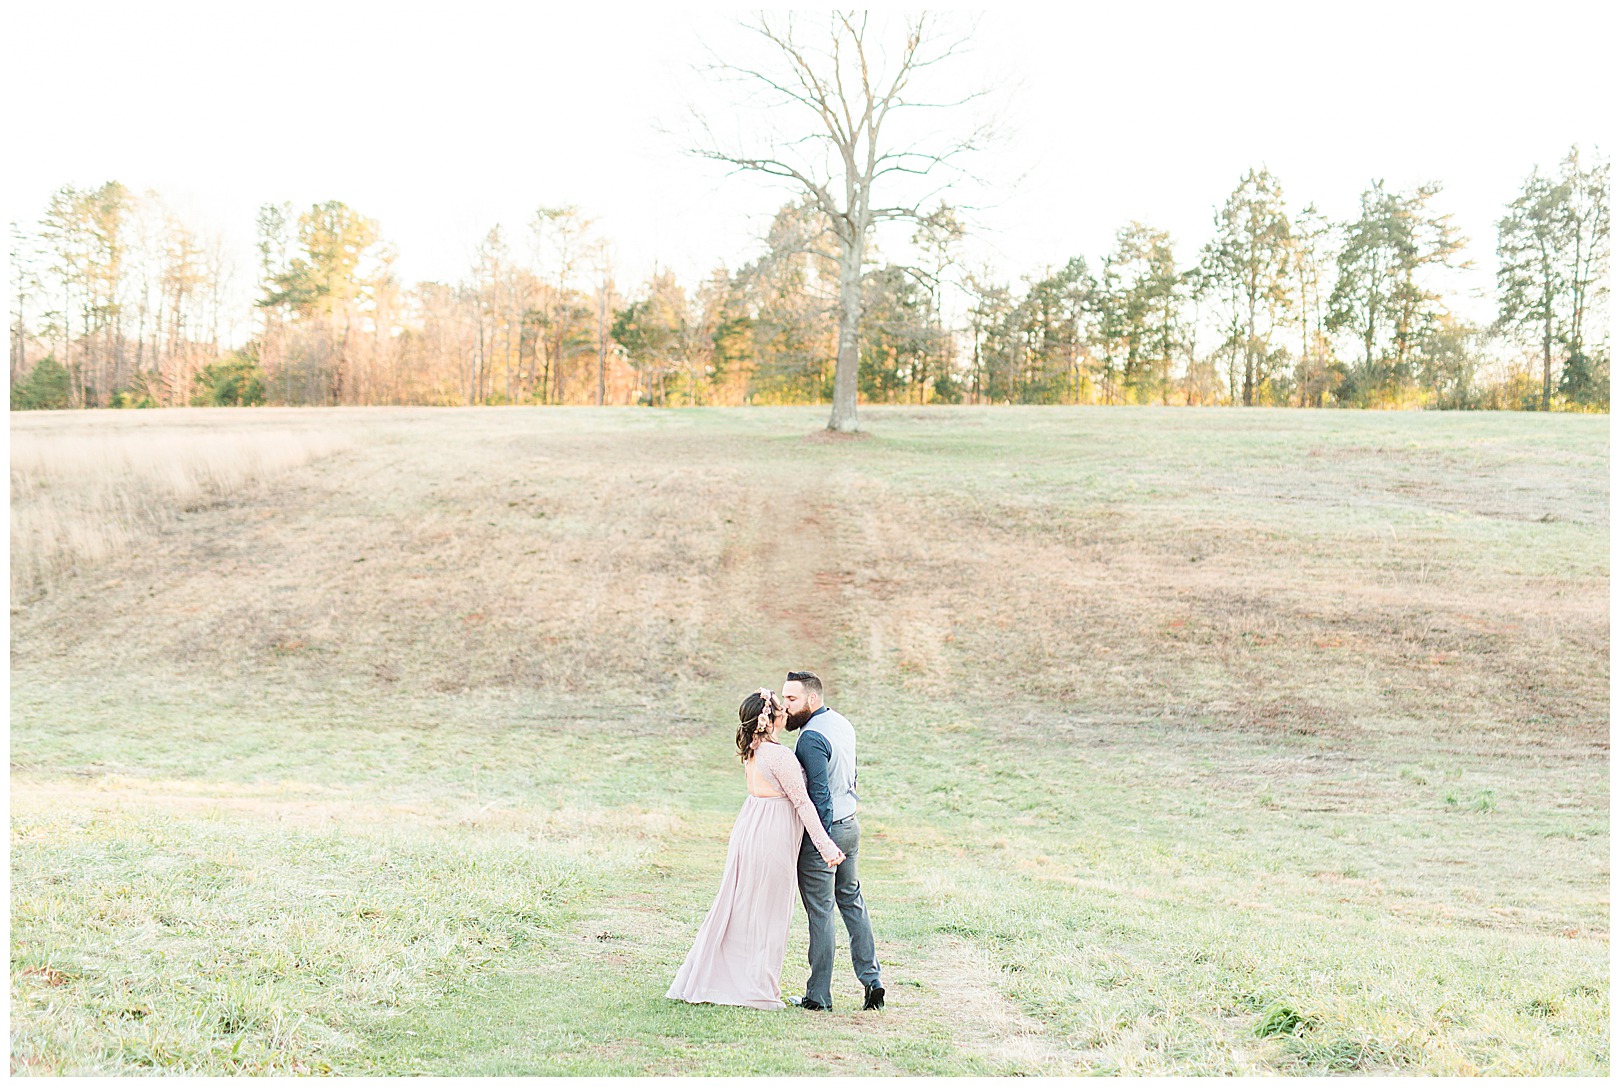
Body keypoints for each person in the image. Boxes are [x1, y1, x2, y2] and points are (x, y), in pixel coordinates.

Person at [667, 689, 845, 1010]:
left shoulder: (755, 750)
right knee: (768, 914)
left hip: (751, 830)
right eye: (781, 707)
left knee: (745, 911)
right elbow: (802, 803)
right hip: (771, 837)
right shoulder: (778, 755)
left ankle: (738, 980)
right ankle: (756, 987)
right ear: (771, 717)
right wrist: (825, 845)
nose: (786, 711)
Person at [781, 670, 885, 1012]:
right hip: (851, 825)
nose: (786, 706)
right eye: (784, 698)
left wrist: (821, 843)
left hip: (827, 833)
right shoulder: (842, 723)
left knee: (821, 912)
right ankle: (873, 982)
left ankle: (818, 997)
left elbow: (819, 797)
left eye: (792, 699)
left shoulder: (810, 738)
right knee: (852, 902)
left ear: (812, 699)